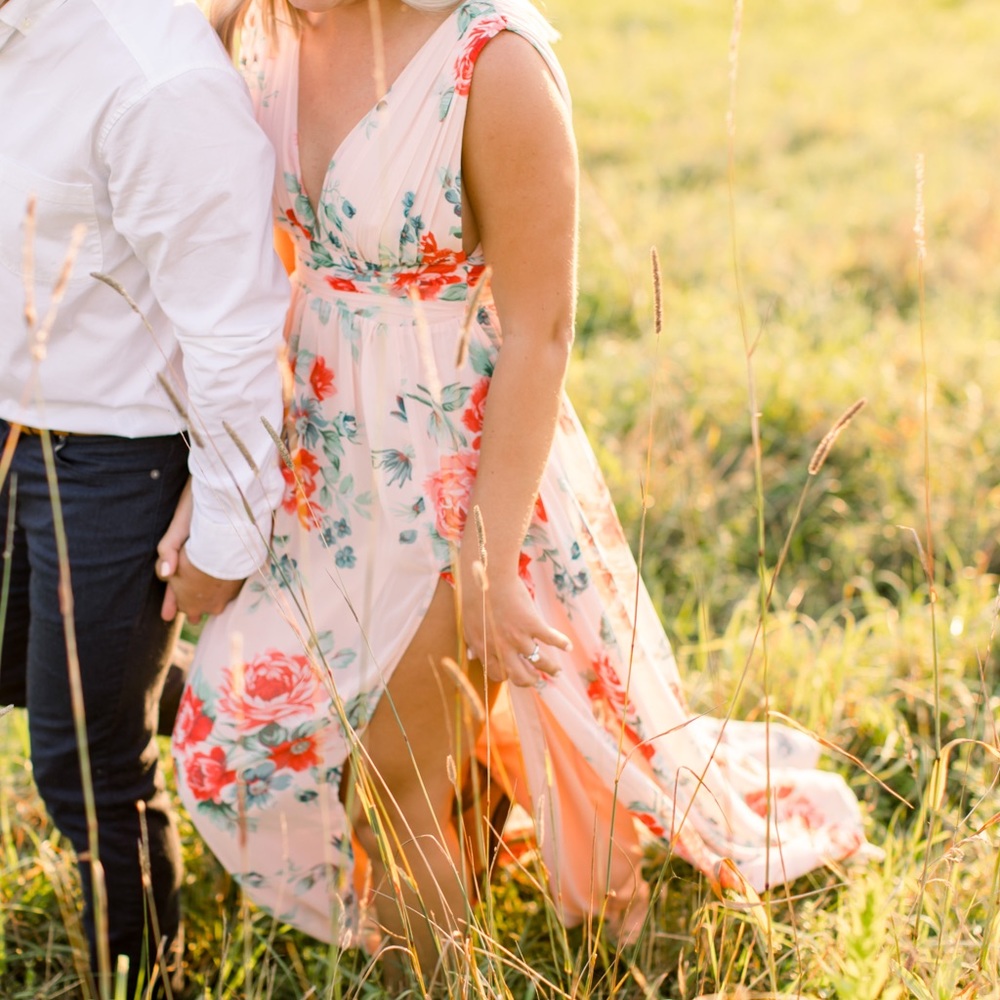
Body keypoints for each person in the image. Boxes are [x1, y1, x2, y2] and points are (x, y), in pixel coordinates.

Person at [170, 0, 879, 986]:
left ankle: (433, 970)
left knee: (402, 785)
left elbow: (543, 329)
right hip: (308, 456)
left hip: (446, 470)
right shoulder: (262, 27)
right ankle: (445, 847)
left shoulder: (492, 61)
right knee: (241, 730)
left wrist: (487, 556)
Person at [0, 0, 288, 993]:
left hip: (110, 454)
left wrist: (226, 526)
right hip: (8, 422)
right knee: (40, 689)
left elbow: (234, 328)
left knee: (86, 770)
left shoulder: (156, 77)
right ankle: (163, 694)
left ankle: (138, 977)